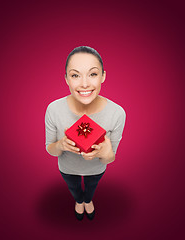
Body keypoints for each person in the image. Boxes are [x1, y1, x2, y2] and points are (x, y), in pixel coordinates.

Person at [45, 46, 126, 220]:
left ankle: (88, 199)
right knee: (73, 188)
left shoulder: (117, 113)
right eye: (75, 75)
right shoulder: (53, 109)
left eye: (93, 74)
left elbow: (111, 158)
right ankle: (78, 200)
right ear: (66, 79)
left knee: (92, 186)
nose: (84, 84)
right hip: (67, 168)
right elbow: (50, 149)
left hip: (97, 168)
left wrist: (106, 153)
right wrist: (60, 145)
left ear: (103, 76)